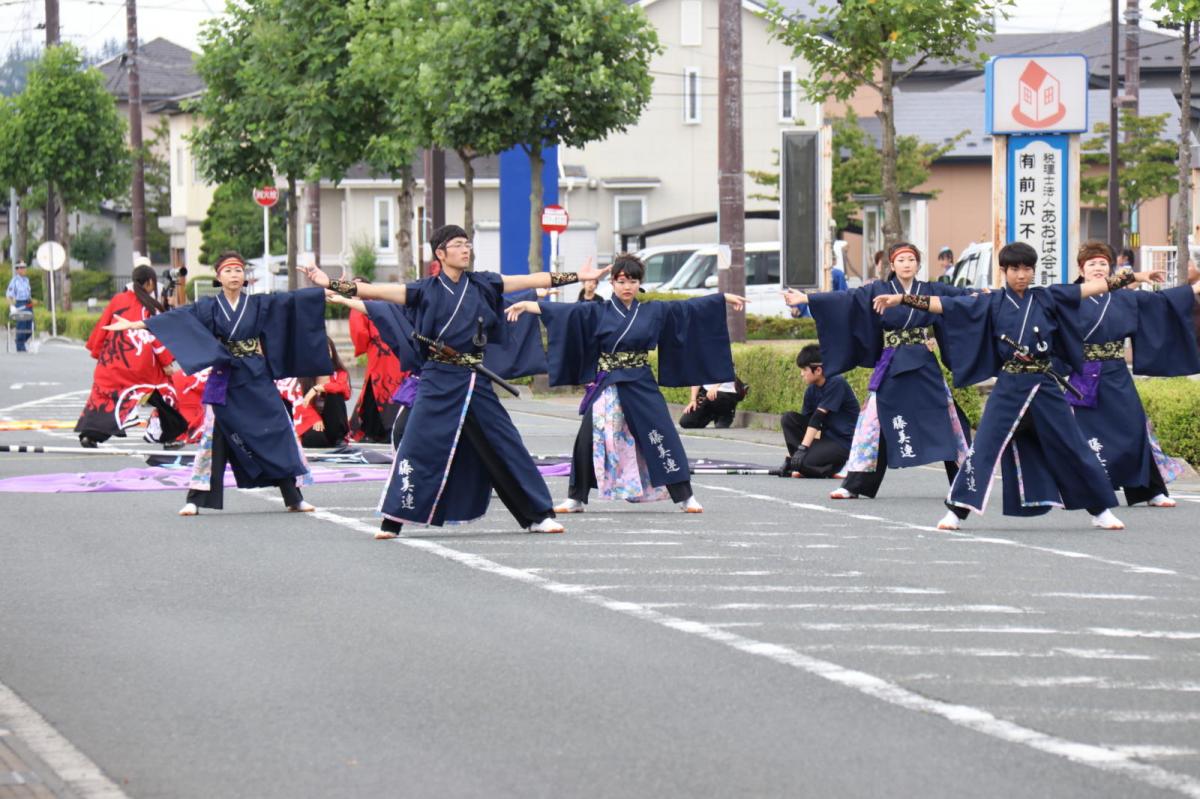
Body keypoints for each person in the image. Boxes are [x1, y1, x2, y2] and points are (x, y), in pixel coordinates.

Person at [307, 224, 603, 539]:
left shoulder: (484, 284)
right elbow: (375, 291)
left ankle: (537, 515)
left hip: (474, 378)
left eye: (468, 244)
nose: (466, 249)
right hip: (437, 378)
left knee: (505, 444)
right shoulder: (424, 289)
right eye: (458, 245)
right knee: (417, 444)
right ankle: (393, 519)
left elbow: (531, 280)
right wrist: (331, 283)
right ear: (440, 253)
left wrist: (578, 277)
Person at [878, 241, 1141, 531]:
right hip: (1010, 384)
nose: (1021, 274)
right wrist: (902, 300)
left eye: (1027, 268)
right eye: (1015, 268)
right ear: (1004, 270)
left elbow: (1092, 288)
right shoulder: (991, 301)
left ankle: (1100, 509)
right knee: (984, 447)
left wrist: (1134, 278)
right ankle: (956, 511)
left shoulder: (1047, 297)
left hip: (1044, 384)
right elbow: (946, 305)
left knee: (1072, 445)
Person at [506, 253, 746, 514]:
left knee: (661, 432)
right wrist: (529, 306)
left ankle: (684, 495)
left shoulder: (653, 310)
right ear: (612, 282)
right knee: (588, 436)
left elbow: (686, 308)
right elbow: (568, 312)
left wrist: (721, 299)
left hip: (640, 379)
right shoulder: (600, 311)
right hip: (609, 382)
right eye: (621, 281)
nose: (627, 286)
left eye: (632, 281)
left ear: (639, 283)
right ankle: (576, 497)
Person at [103, 251, 332, 516]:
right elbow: (177, 319)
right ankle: (195, 498)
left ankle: (293, 496)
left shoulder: (258, 304)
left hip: (256, 375)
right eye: (228, 271)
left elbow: (291, 302)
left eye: (238, 270)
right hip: (225, 377)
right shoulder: (208, 307)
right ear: (218, 276)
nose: (235, 275)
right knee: (216, 439)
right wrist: (136, 324)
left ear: (244, 276)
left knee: (276, 430)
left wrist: (324, 292)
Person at [784, 241, 972, 501]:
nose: (907, 264)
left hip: (924, 363)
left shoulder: (932, 289)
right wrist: (807, 298)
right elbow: (847, 299)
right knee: (873, 422)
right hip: (892, 362)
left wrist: (989, 294)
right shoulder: (879, 290)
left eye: (911, 259)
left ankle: (964, 482)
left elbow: (963, 298)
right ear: (892, 265)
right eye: (901, 260)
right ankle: (854, 484)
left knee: (946, 418)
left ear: (918, 264)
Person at [1064, 241, 1200, 507]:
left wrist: (1193, 290)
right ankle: (1084, 489)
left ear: (1111, 268)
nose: (1098, 268)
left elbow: (1161, 304)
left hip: (1115, 371)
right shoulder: (1069, 297)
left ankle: (1148, 490)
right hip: (1082, 374)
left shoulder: (1125, 298)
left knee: (1134, 427)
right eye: (1092, 264)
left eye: (1103, 263)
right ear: (1081, 268)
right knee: (1084, 433)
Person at [75, 263, 188, 448]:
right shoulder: (152, 308)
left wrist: (98, 353)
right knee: (165, 394)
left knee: (103, 399)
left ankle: (90, 435)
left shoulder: (118, 300)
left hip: (113, 360)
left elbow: (102, 326)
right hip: (140, 365)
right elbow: (155, 338)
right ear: (150, 282)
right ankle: (170, 436)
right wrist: (167, 362)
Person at [780, 344, 860, 478]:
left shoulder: (836, 382)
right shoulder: (811, 390)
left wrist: (803, 449)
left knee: (802, 463)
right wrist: (793, 456)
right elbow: (808, 424)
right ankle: (801, 463)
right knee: (789, 418)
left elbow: (817, 418)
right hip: (827, 438)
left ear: (818, 370)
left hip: (845, 442)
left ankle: (842, 465)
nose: (801, 374)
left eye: (804, 370)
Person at [347, 278, 408, 444]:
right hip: (397, 352)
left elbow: (361, 335)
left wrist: (354, 306)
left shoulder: (363, 307)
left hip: (381, 355)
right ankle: (392, 429)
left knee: (377, 388)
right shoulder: (383, 304)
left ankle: (377, 430)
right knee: (390, 389)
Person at [293, 336, 352, 448]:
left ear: (332, 352)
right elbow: (300, 402)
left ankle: (338, 438)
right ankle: (325, 441)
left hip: (333, 423)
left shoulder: (340, 373)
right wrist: (315, 418)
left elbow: (345, 391)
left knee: (335, 394)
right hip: (312, 421)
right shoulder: (303, 375)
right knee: (314, 439)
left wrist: (318, 388)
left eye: (327, 350)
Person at [6, 261, 33, 352]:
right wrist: (11, 306)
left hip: (28, 303)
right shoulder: (14, 281)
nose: (24, 269)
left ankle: (20, 341)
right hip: (20, 304)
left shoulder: (27, 280)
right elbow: (9, 295)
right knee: (21, 325)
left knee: (31, 326)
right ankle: (20, 347)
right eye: (21, 267)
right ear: (17, 270)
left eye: (24, 267)